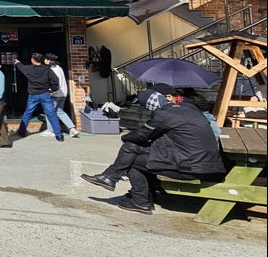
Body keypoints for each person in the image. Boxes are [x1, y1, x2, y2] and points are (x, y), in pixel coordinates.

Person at [79, 85, 225, 214]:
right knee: (134, 149)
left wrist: (125, 137)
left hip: (191, 167)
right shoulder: (189, 109)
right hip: (205, 162)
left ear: (151, 105)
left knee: (133, 159)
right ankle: (110, 178)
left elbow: (143, 135)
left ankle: (139, 200)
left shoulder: (164, 113)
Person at [13, 53, 63, 141]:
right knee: (51, 114)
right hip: (45, 94)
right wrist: (52, 89)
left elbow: (22, 68)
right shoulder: (47, 69)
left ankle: (21, 131)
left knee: (28, 113)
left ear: (32, 60)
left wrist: (17, 63)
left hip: (33, 95)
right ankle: (59, 135)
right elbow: (56, 80)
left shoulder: (29, 69)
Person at [42, 53, 79, 138]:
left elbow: (54, 82)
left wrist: (51, 91)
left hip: (54, 94)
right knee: (60, 112)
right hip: (63, 94)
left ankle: (51, 130)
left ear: (48, 60)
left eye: (45, 59)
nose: (44, 60)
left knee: (49, 112)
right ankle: (72, 129)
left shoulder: (51, 70)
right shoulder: (59, 68)